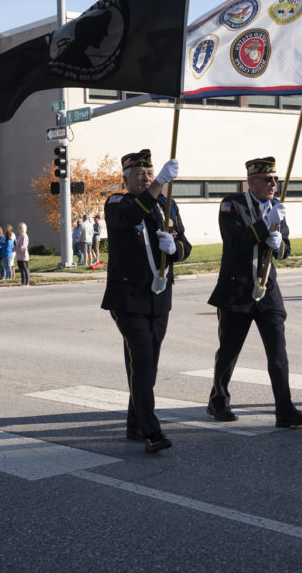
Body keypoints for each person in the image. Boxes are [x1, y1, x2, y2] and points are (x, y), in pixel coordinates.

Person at [207, 157, 302, 428]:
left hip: (268, 289)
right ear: (251, 181)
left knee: (278, 352)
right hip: (237, 289)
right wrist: (266, 224)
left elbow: (286, 249)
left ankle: (285, 410)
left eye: (275, 179)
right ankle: (218, 400)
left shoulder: (276, 207)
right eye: (268, 179)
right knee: (229, 350)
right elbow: (236, 242)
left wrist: (279, 245)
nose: (273, 184)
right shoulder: (232, 205)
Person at [101, 149, 191, 454]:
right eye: (140, 175)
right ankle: (152, 432)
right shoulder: (117, 202)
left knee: (148, 364)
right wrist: (156, 188)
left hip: (158, 295)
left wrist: (175, 247)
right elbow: (131, 217)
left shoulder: (168, 205)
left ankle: (135, 423)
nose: (147, 178)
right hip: (127, 297)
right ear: (126, 180)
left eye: (151, 174)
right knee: (141, 360)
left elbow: (186, 245)